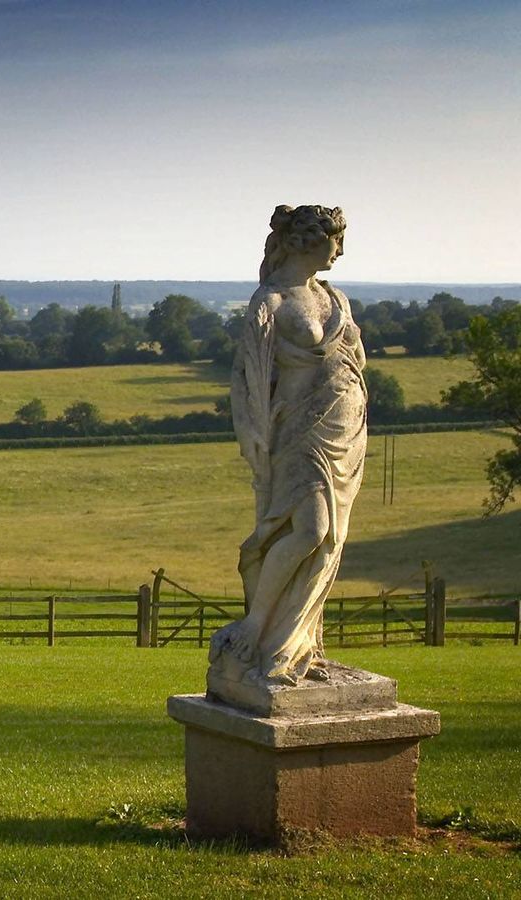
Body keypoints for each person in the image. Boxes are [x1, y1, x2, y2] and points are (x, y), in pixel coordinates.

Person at [211, 205, 368, 686]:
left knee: (329, 541)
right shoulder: (271, 300)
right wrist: (252, 435)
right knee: (308, 530)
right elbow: (247, 378)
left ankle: (299, 646)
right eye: (334, 240)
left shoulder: (332, 295)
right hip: (297, 433)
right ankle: (257, 628)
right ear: (305, 241)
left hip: (344, 428)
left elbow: (355, 358)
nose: (339, 251)